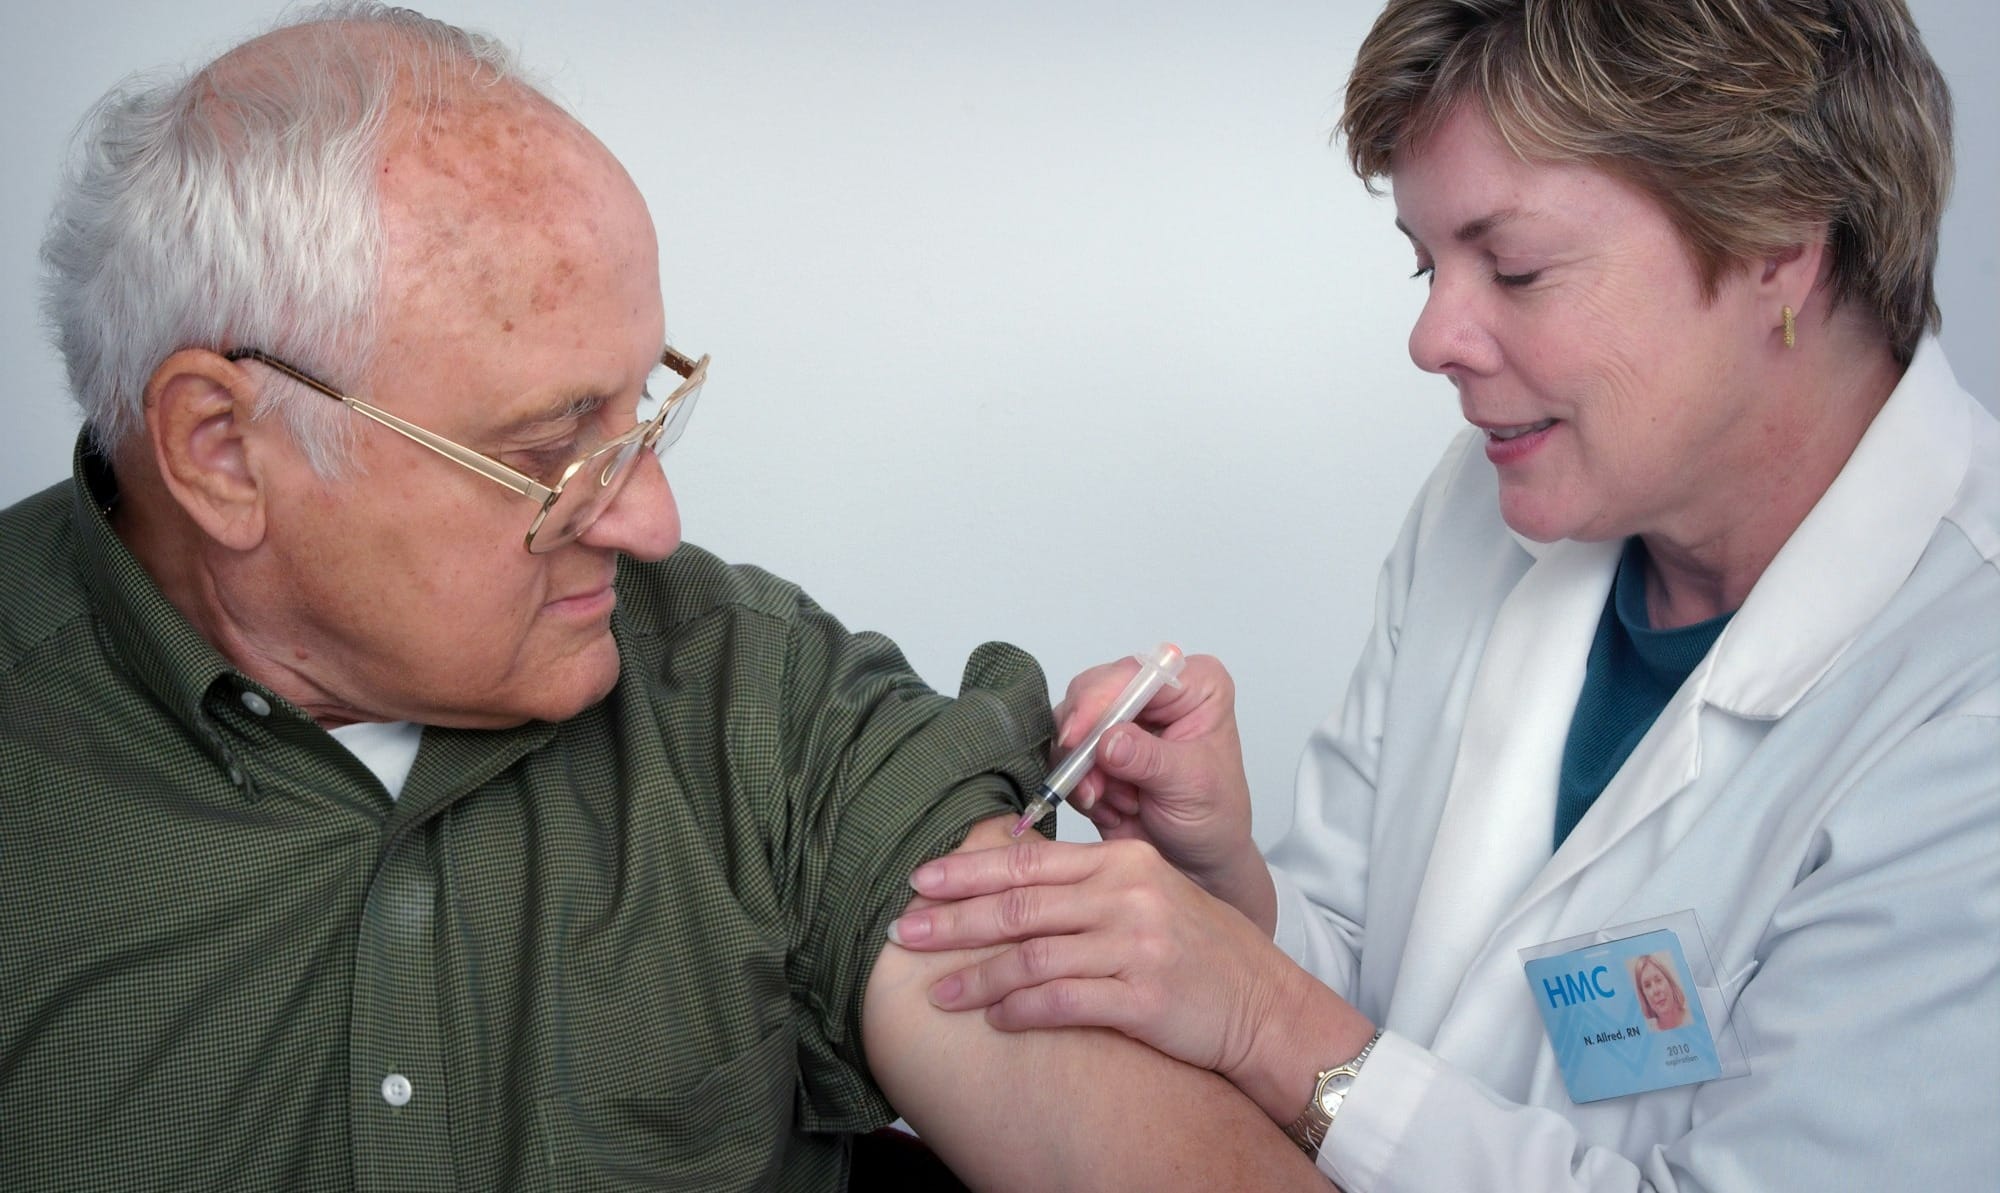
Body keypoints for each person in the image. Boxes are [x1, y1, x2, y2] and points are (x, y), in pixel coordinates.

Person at [0, 5, 1325, 1189]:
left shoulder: (749, 700)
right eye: (546, 451)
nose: (651, 520)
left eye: (645, 409)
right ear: (224, 452)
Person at [887, 0, 2000, 1188]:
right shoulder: (1495, 502)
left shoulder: (1961, 711)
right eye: (1428, 264)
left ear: (1779, 239)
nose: (1429, 337)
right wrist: (1228, 895)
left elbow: (1326, 1054)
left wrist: (1263, 1015)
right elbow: (1394, 1007)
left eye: (1512, 267)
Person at [1631, 955, 1687, 1034]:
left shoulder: (1693, 1018)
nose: (1655, 990)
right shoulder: (1648, 1033)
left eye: (1658, 980)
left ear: (1670, 983)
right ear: (1644, 995)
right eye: (1647, 985)